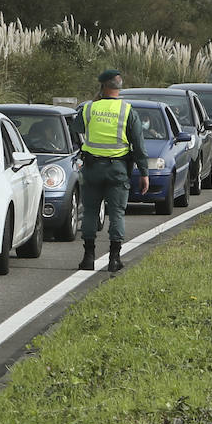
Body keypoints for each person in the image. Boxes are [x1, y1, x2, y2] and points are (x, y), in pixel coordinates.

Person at [71, 69, 150, 273]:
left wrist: (96, 101)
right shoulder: (127, 111)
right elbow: (139, 146)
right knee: (117, 213)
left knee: (89, 212)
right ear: (119, 88)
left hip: (92, 168)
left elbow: (76, 127)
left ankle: (88, 258)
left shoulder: (89, 108)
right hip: (117, 169)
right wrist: (144, 173)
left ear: (102, 86)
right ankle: (114, 259)